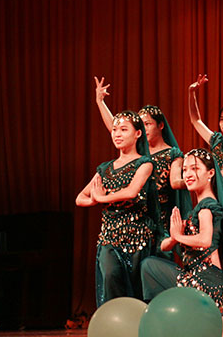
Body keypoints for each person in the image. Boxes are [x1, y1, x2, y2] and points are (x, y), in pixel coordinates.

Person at [140, 148, 223, 337]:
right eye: (185, 169)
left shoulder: (206, 208)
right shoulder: (199, 208)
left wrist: (179, 237)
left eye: (194, 169)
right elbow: (164, 246)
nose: (187, 174)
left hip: (204, 281)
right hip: (196, 278)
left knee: (149, 267)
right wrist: (174, 237)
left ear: (210, 173)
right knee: (149, 266)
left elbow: (205, 240)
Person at [94, 78, 192, 258]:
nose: (144, 128)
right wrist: (100, 102)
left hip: (159, 217)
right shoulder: (139, 154)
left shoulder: (172, 154)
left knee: (156, 263)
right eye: (141, 125)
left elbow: (175, 182)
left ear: (160, 125)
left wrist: (195, 180)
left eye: (147, 124)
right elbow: (114, 127)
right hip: (136, 216)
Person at [76, 111, 157, 306]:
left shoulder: (144, 164)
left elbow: (131, 192)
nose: (117, 134)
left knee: (135, 289)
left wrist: (102, 198)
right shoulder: (105, 169)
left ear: (138, 133)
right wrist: (95, 200)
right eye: (114, 130)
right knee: (111, 276)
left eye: (123, 129)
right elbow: (80, 198)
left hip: (137, 238)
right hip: (110, 238)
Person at [188, 75, 223, 178]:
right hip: (216, 188)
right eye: (221, 119)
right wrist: (191, 93)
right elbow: (195, 120)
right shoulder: (217, 142)